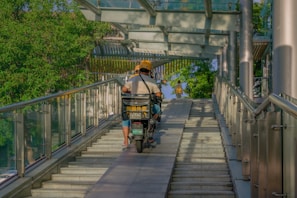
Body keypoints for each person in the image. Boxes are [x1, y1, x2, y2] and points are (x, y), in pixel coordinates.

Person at [121, 60, 162, 149]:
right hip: (146, 107)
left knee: (125, 119)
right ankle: (151, 126)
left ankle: (125, 140)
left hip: (133, 106)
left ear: (140, 70)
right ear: (149, 71)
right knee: (158, 109)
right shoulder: (151, 81)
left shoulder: (133, 79)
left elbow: (123, 89)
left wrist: (130, 91)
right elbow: (158, 94)